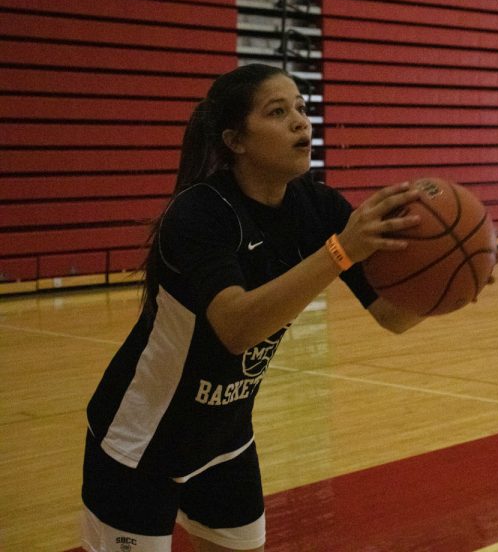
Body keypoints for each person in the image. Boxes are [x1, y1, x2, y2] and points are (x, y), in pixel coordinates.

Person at [80, 63, 428, 552]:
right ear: (236, 140)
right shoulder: (200, 211)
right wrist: (340, 251)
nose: (301, 122)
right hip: (140, 442)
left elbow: (391, 315)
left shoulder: (319, 207)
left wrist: (447, 287)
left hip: (225, 441)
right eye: (278, 112)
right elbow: (236, 327)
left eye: (303, 109)